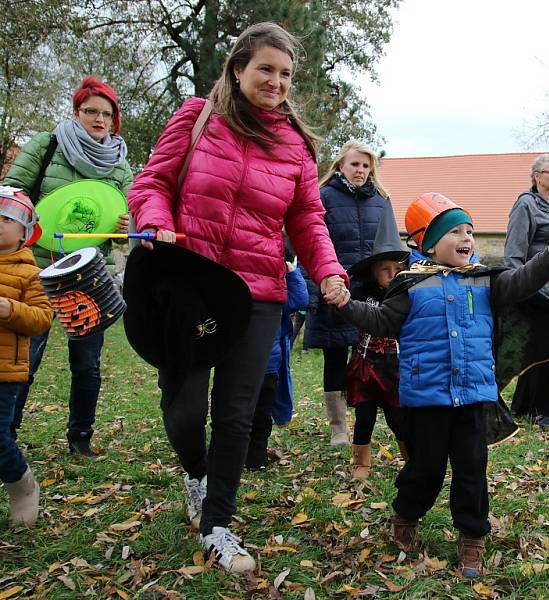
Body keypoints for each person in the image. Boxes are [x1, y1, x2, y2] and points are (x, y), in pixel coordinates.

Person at [126, 22, 348, 573]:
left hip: (258, 293)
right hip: (192, 288)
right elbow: (149, 184)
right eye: (265, 69)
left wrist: (328, 272)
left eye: (285, 73)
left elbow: (307, 218)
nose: (275, 81)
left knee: (236, 413)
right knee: (183, 408)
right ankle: (195, 473)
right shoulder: (197, 118)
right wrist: (155, 222)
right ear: (238, 69)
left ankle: (218, 524)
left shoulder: (294, 146)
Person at [331, 192, 549, 579]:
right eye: (455, 231)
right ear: (427, 243)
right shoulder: (410, 286)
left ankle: (472, 535)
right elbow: (380, 322)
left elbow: (522, 283)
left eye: (469, 230)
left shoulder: (485, 282)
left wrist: (548, 259)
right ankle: (407, 513)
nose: (467, 237)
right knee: (424, 467)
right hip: (426, 397)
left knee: (471, 468)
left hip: (472, 396)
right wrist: (346, 304)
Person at [3, 76, 133, 456]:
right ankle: (6, 436)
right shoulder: (46, 146)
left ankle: (81, 439)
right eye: (91, 111)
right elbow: (10, 198)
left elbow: (123, 232)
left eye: (106, 114)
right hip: (37, 268)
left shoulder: (120, 167)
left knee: (87, 364)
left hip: (89, 277)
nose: (98, 119)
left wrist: (124, 229)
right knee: (26, 358)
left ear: (114, 121)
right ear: (76, 112)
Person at [303, 140, 401, 446]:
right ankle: (338, 427)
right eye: (354, 164)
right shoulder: (323, 197)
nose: (360, 170)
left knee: (371, 357)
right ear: (340, 166)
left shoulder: (382, 200)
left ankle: (373, 416)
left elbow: (390, 249)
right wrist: (315, 291)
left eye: (365, 165)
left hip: (370, 294)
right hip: (335, 286)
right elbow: (309, 244)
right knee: (335, 355)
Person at [503, 153, 549, 428]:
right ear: (536, 176)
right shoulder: (526, 204)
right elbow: (514, 249)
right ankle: (542, 412)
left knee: (540, 346)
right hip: (538, 285)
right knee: (546, 348)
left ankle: (523, 407)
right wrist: (518, 284)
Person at [0, 188, 53, 525]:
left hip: (4, 372)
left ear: (25, 232)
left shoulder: (29, 273)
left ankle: (21, 483)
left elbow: (42, 318)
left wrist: (9, 310)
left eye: (7, 219)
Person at [344, 244, 408, 481]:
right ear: (372, 271)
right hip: (366, 366)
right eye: (385, 269)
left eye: (397, 268)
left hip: (395, 368)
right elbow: (347, 310)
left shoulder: (406, 295)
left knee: (398, 418)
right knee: (365, 416)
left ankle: (410, 458)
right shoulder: (362, 295)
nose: (392, 274)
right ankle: (361, 463)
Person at [245, 243, 308, 471]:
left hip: (270, 364)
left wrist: (291, 270)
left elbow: (301, 301)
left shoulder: (280, 291)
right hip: (242, 362)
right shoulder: (249, 284)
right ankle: (237, 454)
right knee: (242, 413)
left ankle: (256, 458)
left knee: (262, 415)